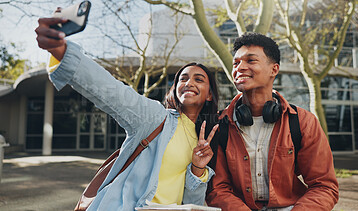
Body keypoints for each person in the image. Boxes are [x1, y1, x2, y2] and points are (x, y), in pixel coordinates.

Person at [35, 17, 220, 210]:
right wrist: (62, 52)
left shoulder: (204, 141)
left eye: (199, 79)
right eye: (183, 79)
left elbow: (193, 204)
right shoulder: (156, 116)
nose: (189, 83)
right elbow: (113, 91)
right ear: (174, 89)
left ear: (209, 95)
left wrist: (198, 168)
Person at [206, 32, 339, 211]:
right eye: (236, 63)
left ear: (274, 70)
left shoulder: (304, 122)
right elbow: (217, 189)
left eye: (250, 61)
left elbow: (324, 186)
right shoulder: (220, 124)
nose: (240, 68)